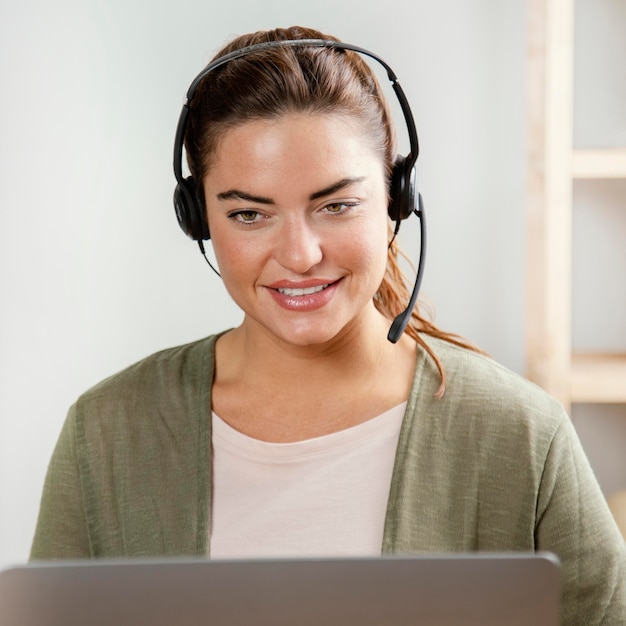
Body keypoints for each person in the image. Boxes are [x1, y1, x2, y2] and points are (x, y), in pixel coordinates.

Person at [30, 25, 625, 624]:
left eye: (336, 205)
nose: (300, 254)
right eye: (248, 214)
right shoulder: (106, 434)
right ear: (198, 219)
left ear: (396, 199)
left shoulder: (521, 436)